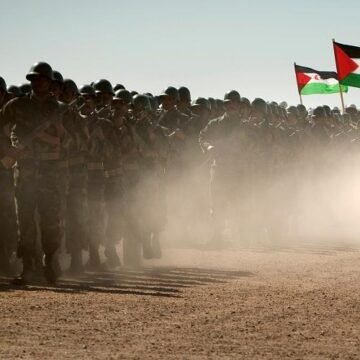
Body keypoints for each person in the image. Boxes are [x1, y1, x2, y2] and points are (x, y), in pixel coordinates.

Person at [2, 62, 67, 284]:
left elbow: (76, 142)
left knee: (51, 220)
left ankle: (50, 261)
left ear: (50, 82)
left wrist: (57, 133)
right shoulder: (16, 105)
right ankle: (28, 266)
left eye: (42, 78)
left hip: (51, 172)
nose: (38, 82)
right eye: (35, 78)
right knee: (25, 221)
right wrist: (9, 150)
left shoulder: (60, 109)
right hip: (26, 170)